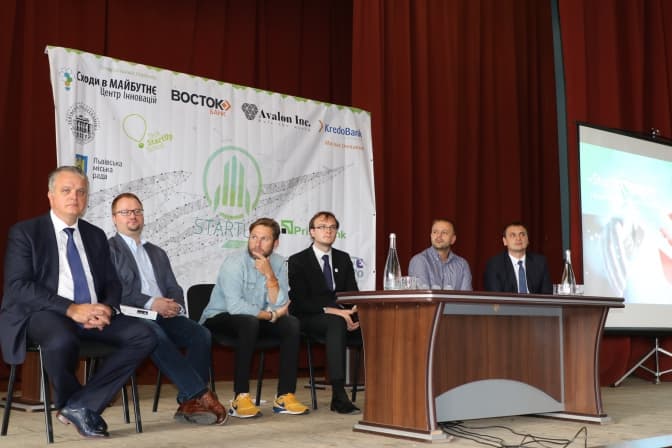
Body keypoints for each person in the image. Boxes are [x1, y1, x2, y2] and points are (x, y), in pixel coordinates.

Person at [0, 166, 157, 439]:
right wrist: (71, 309)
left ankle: (81, 404)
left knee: (144, 335)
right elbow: (18, 286)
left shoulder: (94, 235)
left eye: (81, 191)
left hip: (94, 312)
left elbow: (112, 283)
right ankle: (75, 403)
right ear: (50, 196)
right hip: (46, 312)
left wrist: (106, 308)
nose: (75, 196)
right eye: (66, 190)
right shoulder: (26, 232)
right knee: (61, 338)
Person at [108, 192, 227, 425]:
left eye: (137, 211)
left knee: (200, 333)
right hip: (130, 315)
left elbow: (174, 286)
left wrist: (175, 306)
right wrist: (151, 303)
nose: (132, 216)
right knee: (154, 333)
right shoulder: (108, 250)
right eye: (125, 212)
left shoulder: (157, 252)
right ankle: (200, 394)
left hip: (162, 314)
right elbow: (116, 291)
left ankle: (188, 402)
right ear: (114, 218)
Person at [200, 218, 309, 418]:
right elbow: (235, 307)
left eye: (264, 239)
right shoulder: (234, 262)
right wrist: (271, 315)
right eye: (253, 237)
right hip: (220, 317)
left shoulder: (278, 263)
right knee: (248, 322)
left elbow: (281, 304)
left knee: (291, 324)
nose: (256, 244)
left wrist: (270, 275)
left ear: (275, 243)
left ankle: (284, 396)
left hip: (254, 319)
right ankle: (240, 398)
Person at [288, 211, 361, 414]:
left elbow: (352, 293)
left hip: (341, 317)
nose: (328, 231)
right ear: (312, 232)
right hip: (310, 317)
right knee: (336, 322)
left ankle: (387, 388)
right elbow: (301, 300)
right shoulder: (298, 260)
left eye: (332, 227)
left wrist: (353, 310)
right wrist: (339, 314)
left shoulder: (343, 258)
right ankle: (338, 394)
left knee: (375, 322)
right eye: (322, 227)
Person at [483, 221, 553, 294]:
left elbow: (547, 294)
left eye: (522, 235)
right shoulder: (494, 265)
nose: (518, 238)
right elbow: (496, 296)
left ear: (527, 240)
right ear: (505, 241)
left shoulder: (540, 262)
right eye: (513, 235)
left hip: (535, 301)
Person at [408, 219, 472, 290]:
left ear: (453, 239)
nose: (438, 236)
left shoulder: (462, 265)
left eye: (444, 233)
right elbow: (424, 295)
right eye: (435, 232)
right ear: (431, 236)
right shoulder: (419, 261)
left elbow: (465, 295)